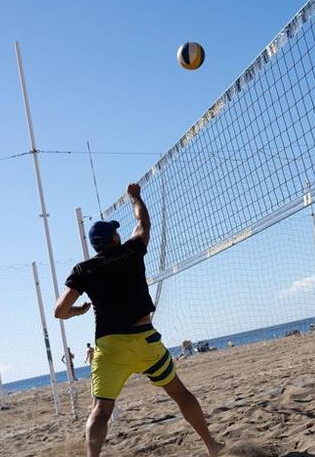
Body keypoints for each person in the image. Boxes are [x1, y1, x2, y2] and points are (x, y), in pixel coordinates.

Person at [55, 183, 224, 457]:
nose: (120, 234)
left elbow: (60, 310)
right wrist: (136, 197)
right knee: (180, 394)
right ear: (113, 239)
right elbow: (143, 222)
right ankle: (211, 446)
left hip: (110, 348)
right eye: (116, 232)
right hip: (145, 341)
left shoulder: (84, 269)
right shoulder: (132, 251)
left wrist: (78, 311)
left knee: (101, 410)